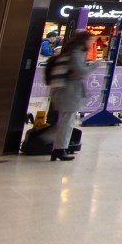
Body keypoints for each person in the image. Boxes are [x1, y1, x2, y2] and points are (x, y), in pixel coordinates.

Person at [43, 30, 94, 162]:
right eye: (91, 39)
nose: (92, 42)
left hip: (64, 89)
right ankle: (59, 148)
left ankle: (57, 147)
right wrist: (95, 65)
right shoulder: (77, 52)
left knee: (66, 120)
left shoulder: (70, 50)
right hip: (68, 90)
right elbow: (80, 71)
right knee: (67, 121)